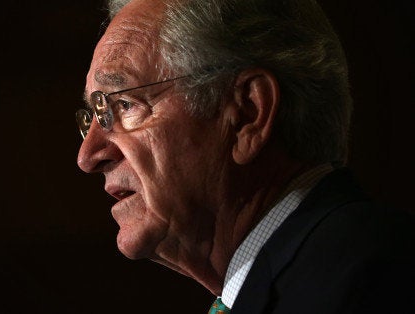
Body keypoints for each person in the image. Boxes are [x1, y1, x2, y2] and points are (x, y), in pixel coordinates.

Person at [75, 0, 415, 313]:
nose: (88, 156)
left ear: (247, 113)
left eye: (124, 105)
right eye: (93, 115)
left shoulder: (369, 282)